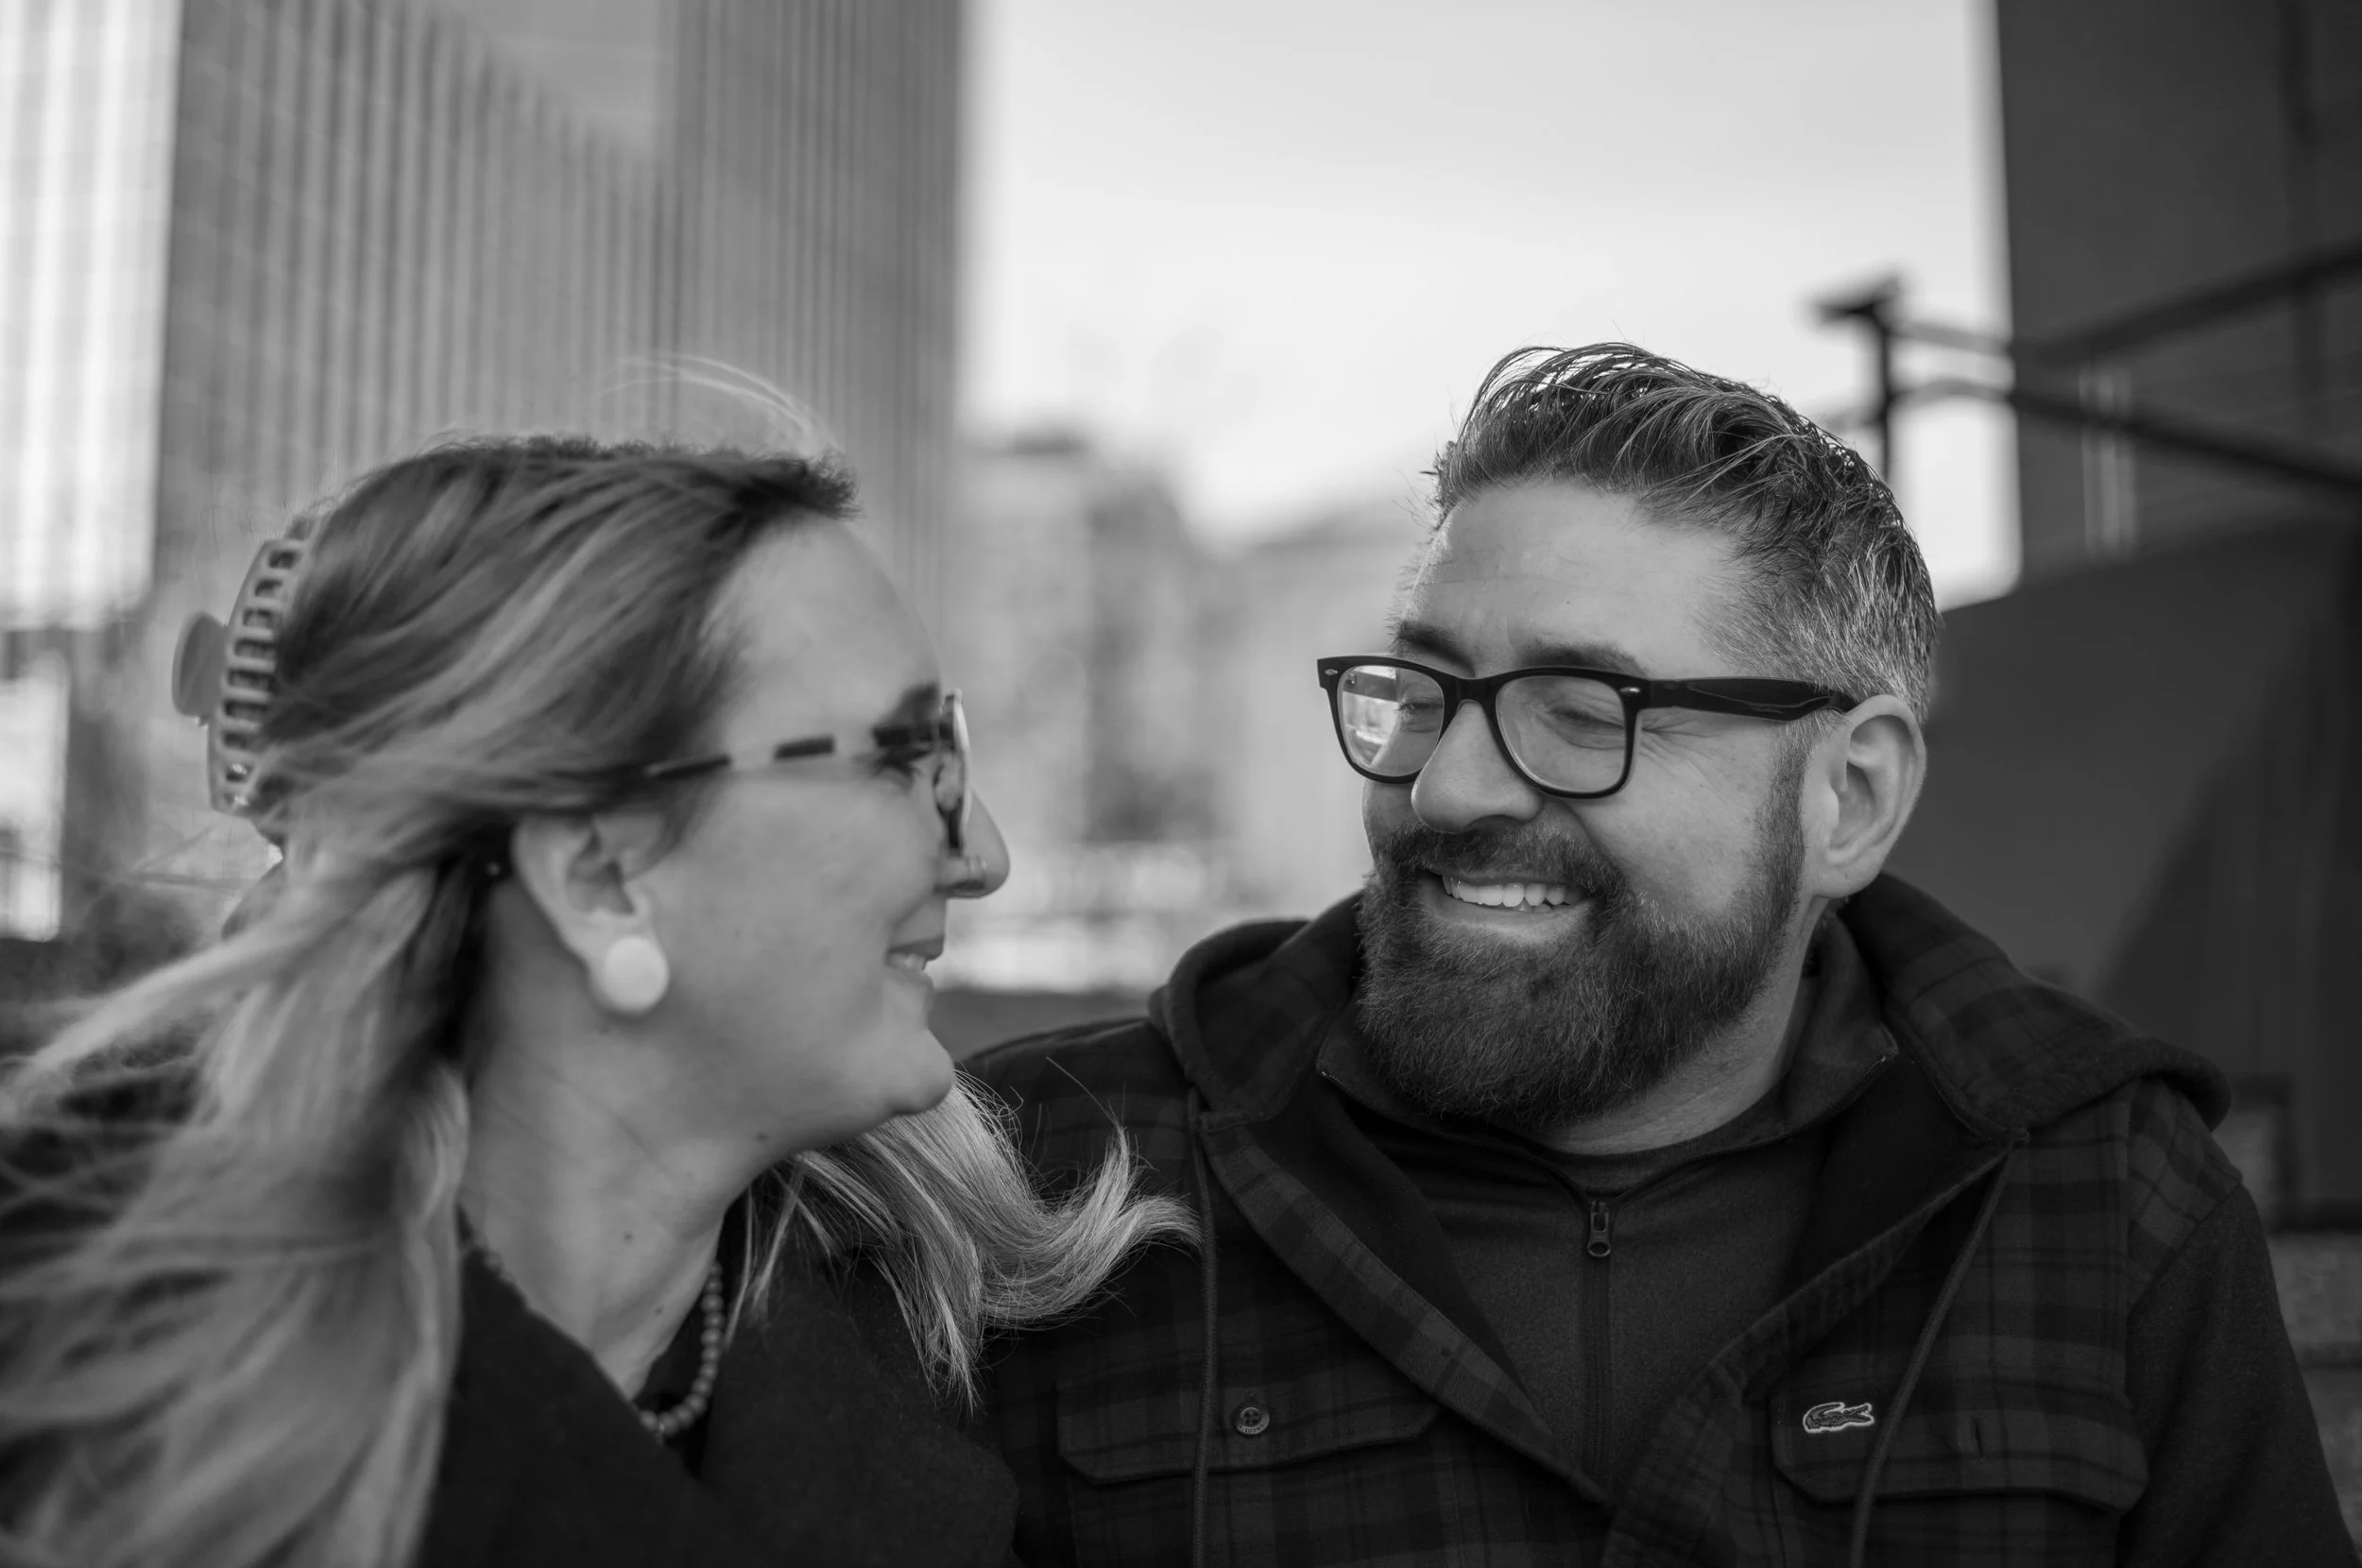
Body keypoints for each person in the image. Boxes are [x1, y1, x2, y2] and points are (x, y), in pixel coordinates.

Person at [970, 345, 2352, 1566]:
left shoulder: (2104, 1203)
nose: (1449, 790)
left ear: (1850, 798)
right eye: (1425, 690)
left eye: (1581, 710)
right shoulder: (1060, 1176)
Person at [0, 435, 1189, 1568]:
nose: (983, 853)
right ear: (600, 873)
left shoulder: (962, 1347)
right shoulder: (71, 1409)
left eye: (952, 753)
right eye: (900, 757)